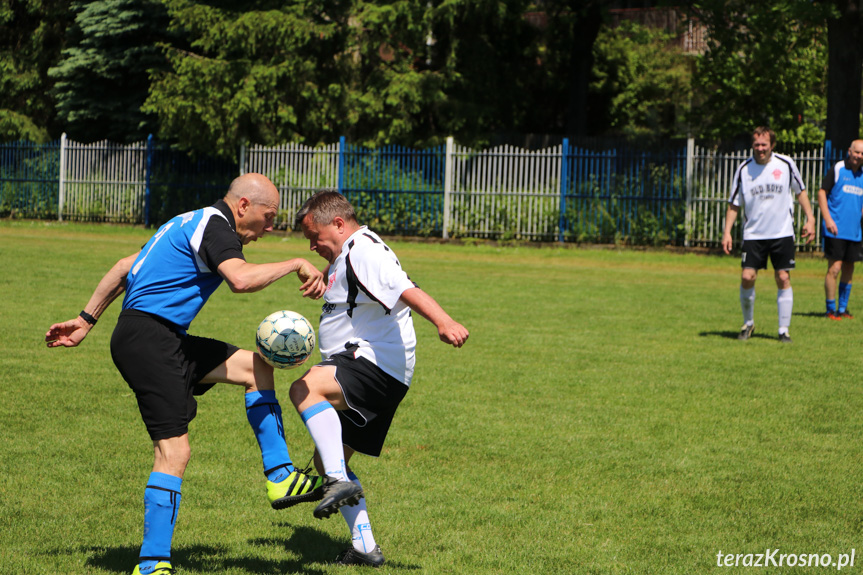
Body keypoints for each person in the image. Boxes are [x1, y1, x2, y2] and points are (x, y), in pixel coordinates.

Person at [44, 174, 334, 575]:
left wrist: (85, 319)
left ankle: (280, 475)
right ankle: (151, 564)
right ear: (244, 206)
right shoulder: (218, 227)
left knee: (256, 366)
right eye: (268, 217)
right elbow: (240, 279)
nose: (270, 228)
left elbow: (124, 266)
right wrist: (298, 263)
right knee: (174, 452)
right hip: (150, 340)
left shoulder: (185, 221)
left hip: (159, 337)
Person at [288, 190, 469, 567]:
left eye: (314, 236)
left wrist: (444, 321)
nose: (312, 244)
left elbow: (406, 289)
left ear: (337, 224)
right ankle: (365, 547)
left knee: (305, 387)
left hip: (371, 365)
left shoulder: (364, 250)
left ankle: (338, 480)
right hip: (381, 372)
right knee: (327, 462)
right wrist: (325, 280)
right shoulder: (349, 253)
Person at [722, 126, 816, 343]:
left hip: (782, 232)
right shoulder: (744, 169)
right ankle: (748, 323)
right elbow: (734, 204)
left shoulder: (785, 164)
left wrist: (810, 219)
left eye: (764, 144)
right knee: (747, 277)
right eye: (756, 144)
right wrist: (727, 232)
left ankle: (784, 330)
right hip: (754, 234)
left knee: (783, 277)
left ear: (772, 145)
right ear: (752, 145)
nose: (760, 149)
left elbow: (800, 191)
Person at [817, 139, 863, 320]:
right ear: (849, 151)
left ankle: (843, 309)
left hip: (854, 231)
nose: (859, 156)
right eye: (857, 152)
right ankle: (830, 309)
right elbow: (822, 192)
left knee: (849, 268)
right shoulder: (838, 169)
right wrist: (827, 219)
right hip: (835, 228)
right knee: (834, 268)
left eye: (862, 154)